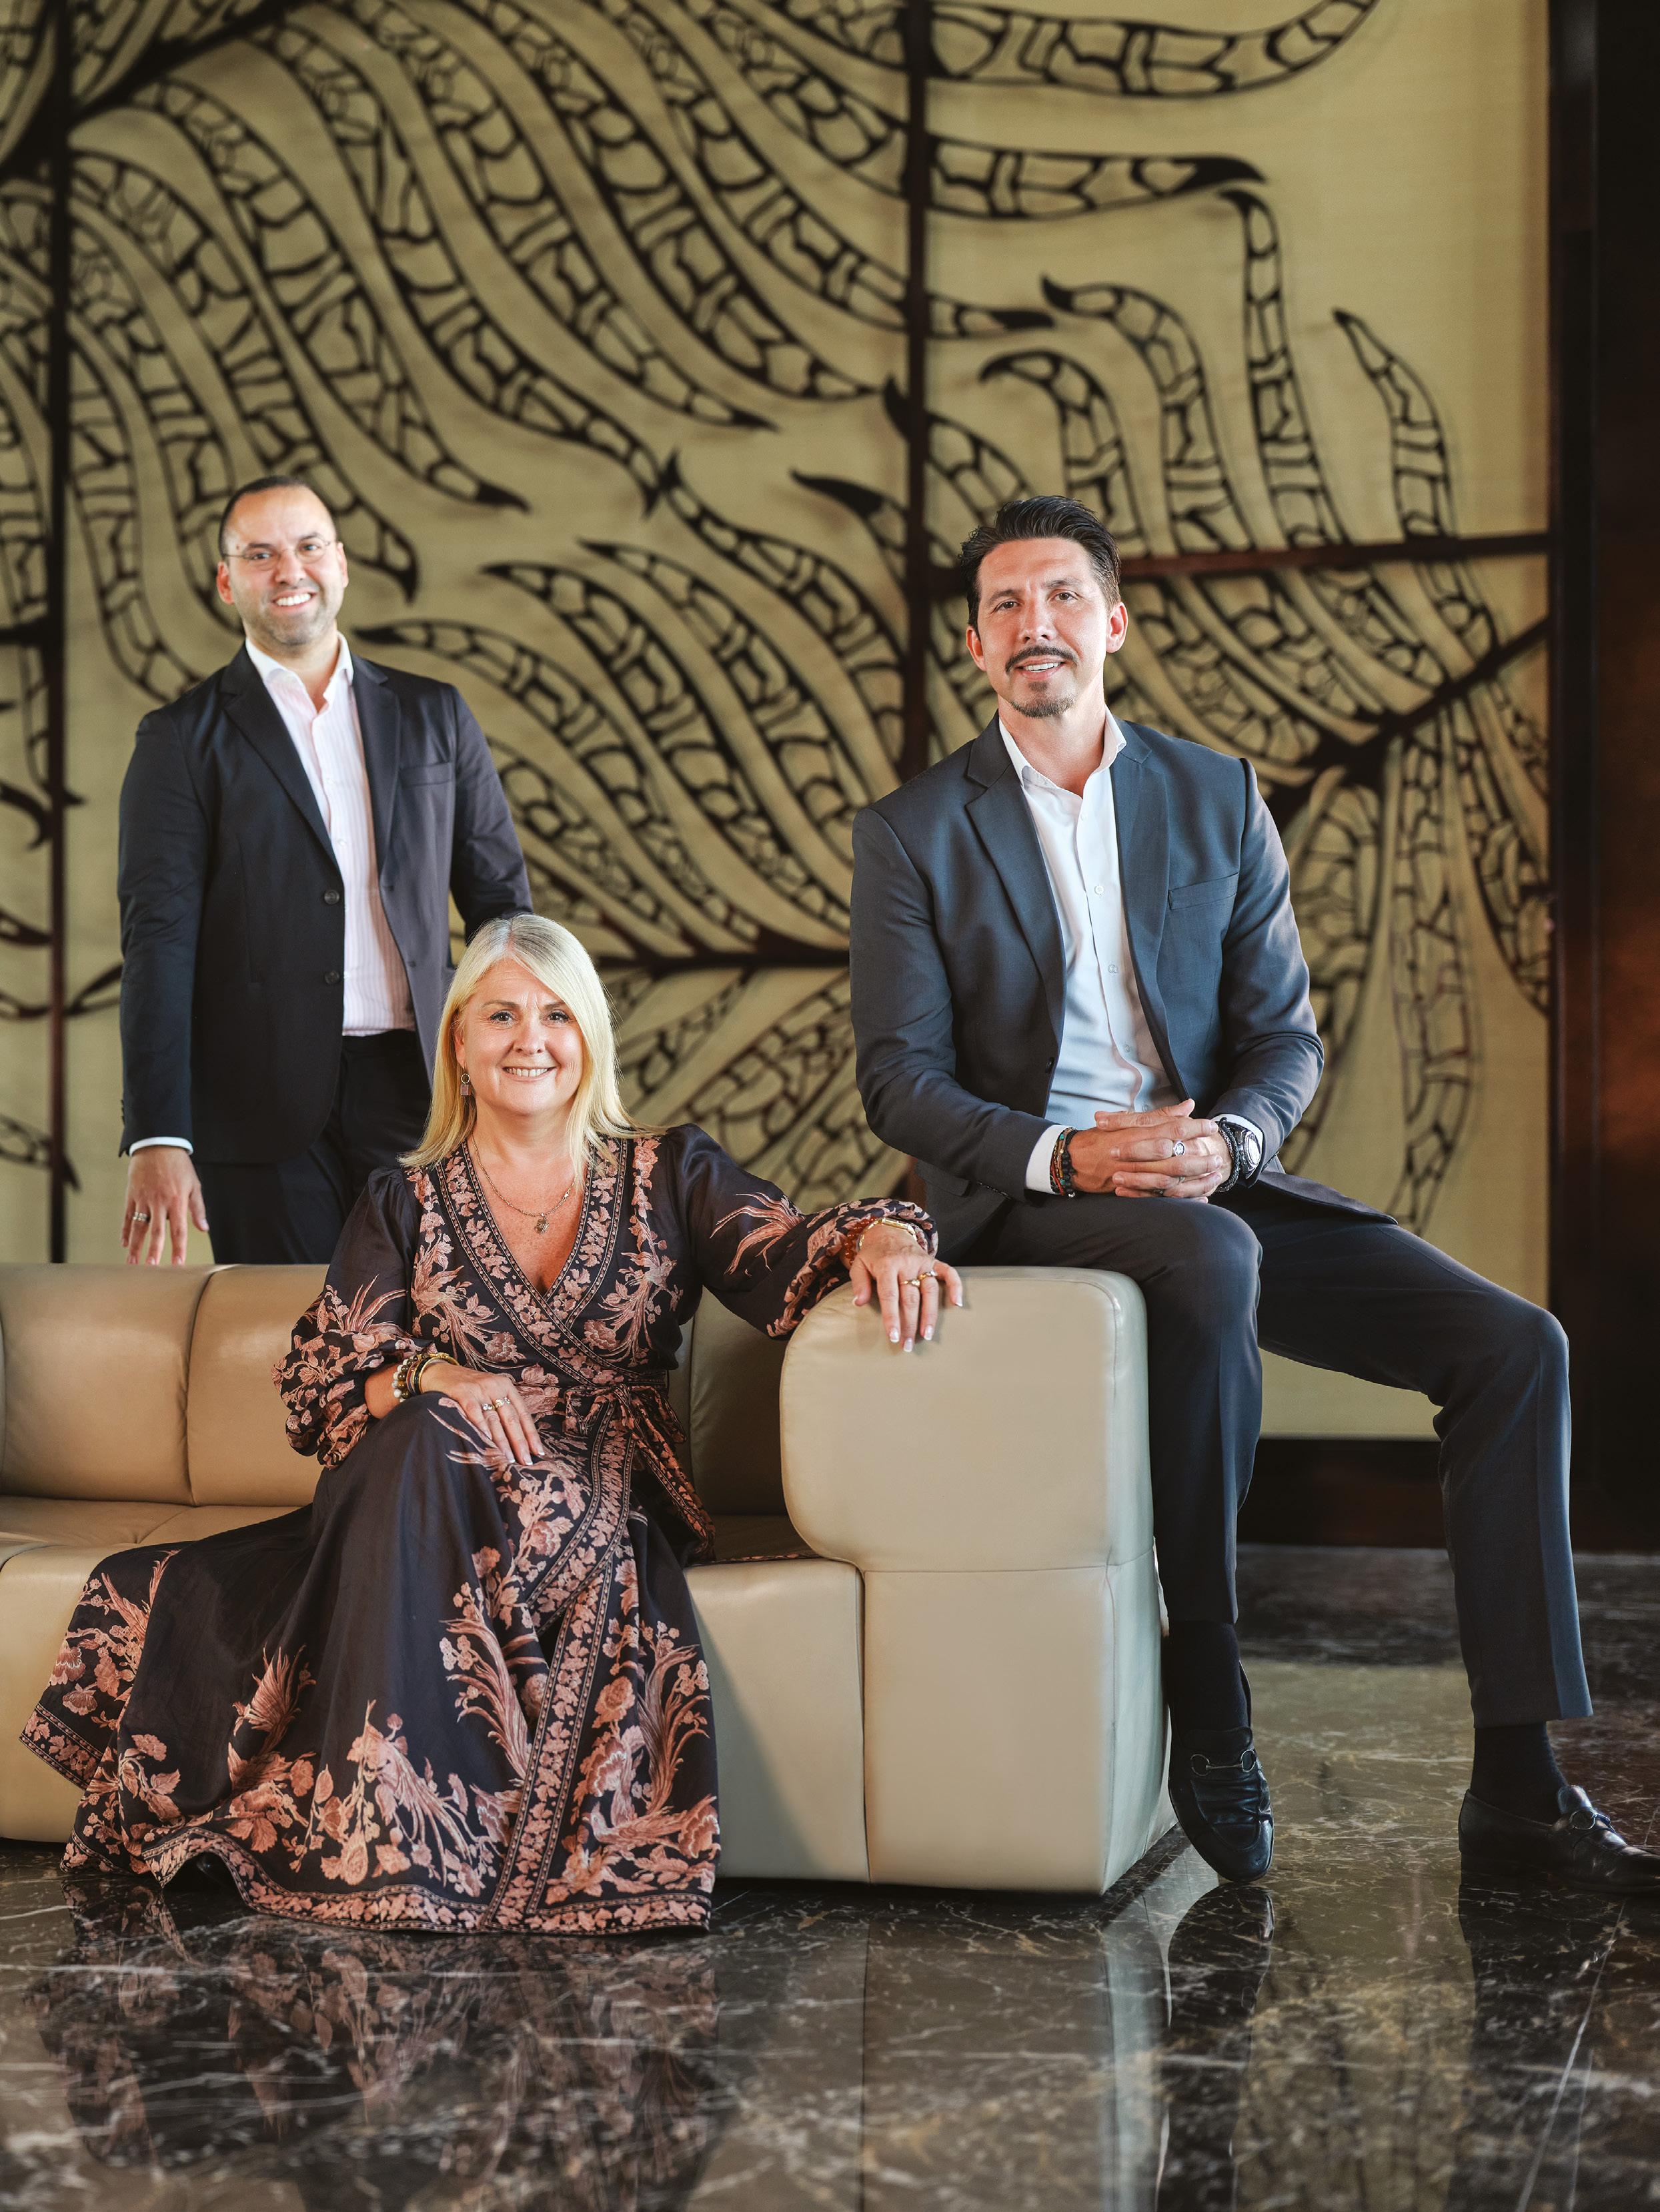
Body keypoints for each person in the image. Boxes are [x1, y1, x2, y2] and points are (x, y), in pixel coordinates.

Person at [848, 493, 1660, 1896]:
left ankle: (1518, 1790)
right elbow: (898, 1081)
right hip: (1036, 1196)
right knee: (1212, 1260)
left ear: (1111, 622)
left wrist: (1226, 1142)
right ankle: (1211, 1682)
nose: (1032, 624)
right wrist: (1069, 1154)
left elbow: (1282, 1038)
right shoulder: (914, 829)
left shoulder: (1212, 793)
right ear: (974, 646)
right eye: (1001, 605)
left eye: (1059, 596)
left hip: (1208, 1180)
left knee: (1512, 1346)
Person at [25, 914, 958, 1931]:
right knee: (426, 1437)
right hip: (420, 1485)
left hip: (599, 1479)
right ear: (460, 1044)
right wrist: (436, 1376)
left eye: (557, 1014)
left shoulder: (671, 1171)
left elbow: (786, 1250)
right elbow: (322, 1379)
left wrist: (885, 1238)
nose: (531, 1039)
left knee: (359, 1495)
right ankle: (391, 1843)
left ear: (589, 1036)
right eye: (502, 1015)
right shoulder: (402, 1199)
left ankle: (405, 1841)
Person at [118, 474, 531, 1267]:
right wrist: (158, 1134)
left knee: (436, 1319)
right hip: (255, 1107)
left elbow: (503, 912)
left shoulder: (435, 714)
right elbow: (157, 941)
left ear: (340, 562)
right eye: (260, 554)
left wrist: (518, 1069)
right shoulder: (178, 740)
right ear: (226, 581)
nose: (289, 570)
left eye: (308, 547)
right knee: (289, 1329)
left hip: (423, 1091)